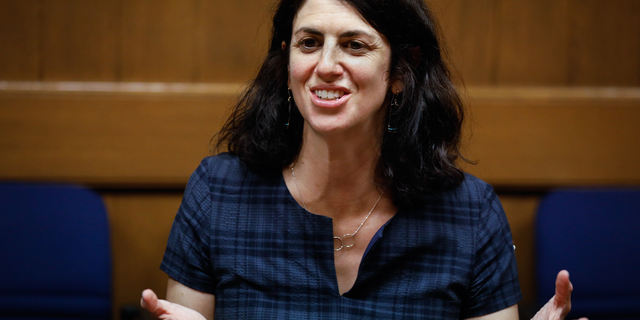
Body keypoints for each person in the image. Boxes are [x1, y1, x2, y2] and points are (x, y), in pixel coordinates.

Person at [141, 0, 587, 319]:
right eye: (309, 42)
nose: (327, 65)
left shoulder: (471, 213)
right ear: (287, 60)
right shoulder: (218, 192)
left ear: (398, 74)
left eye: (354, 45)